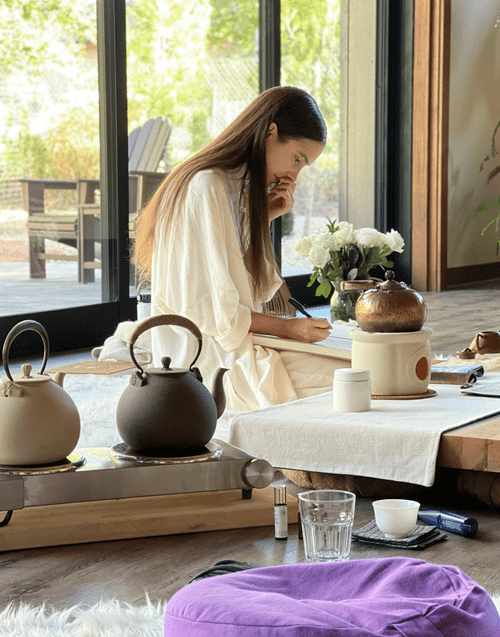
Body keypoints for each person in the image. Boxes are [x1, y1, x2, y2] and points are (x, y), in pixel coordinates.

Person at [135, 86, 349, 413]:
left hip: (229, 347)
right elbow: (219, 315)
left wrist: (263, 217)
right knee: (354, 379)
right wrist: (289, 329)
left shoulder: (230, 186)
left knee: (360, 372)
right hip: (207, 365)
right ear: (270, 132)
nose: (295, 174)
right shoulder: (208, 186)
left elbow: (245, 290)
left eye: (304, 166)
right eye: (296, 158)